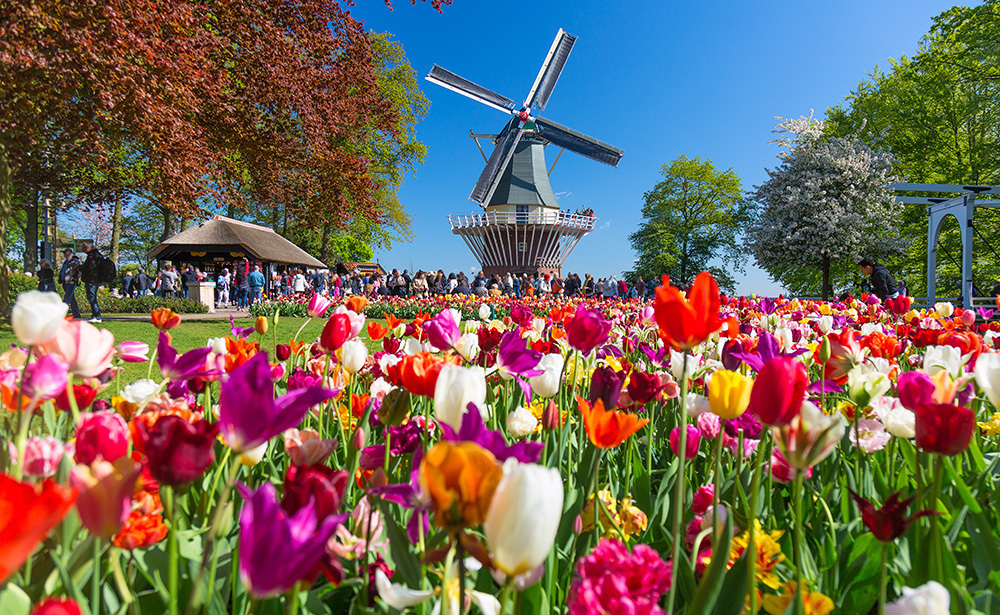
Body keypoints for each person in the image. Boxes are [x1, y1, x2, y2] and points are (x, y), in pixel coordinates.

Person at [79, 240, 103, 323]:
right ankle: (95, 315)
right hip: (95, 279)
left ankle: (97, 316)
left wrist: (80, 267)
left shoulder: (92, 256)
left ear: (88, 248)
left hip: (91, 279)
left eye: (84, 248)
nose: (83, 249)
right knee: (92, 297)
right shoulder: (97, 255)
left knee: (92, 297)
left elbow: (90, 268)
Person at [59, 248, 82, 319]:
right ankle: (76, 314)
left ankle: (61, 314)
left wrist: (74, 279)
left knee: (67, 298)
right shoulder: (66, 262)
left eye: (66, 253)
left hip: (71, 282)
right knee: (71, 298)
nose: (64, 254)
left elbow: (78, 272)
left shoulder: (75, 261)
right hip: (65, 282)